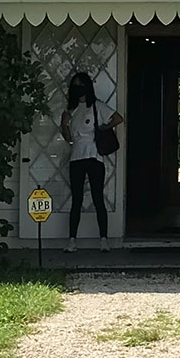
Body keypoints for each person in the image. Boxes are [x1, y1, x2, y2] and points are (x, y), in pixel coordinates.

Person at [59, 71, 124, 246]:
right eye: (75, 85)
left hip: (94, 155)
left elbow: (118, 118)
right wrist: (64, 123)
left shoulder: (97, 106)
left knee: (97, 197)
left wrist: (103, 128)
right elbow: (68, 138)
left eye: (80, 85)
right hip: (76, 156)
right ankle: (72, 240)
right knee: (77, 199)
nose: (78, 89)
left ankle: (103, 239)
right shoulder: (71, 110)